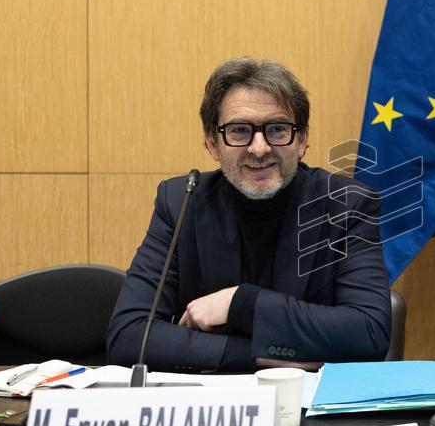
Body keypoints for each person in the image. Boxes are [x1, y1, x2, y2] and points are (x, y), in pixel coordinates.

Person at [107, 57, 391, 372]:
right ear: (212, 142)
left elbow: (369, 333)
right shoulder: (180, 202)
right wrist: (256, 357)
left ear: (302, 139)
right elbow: (130, 336)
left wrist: (241, 304)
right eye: (240, 131)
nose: (259, 148)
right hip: (211, 412)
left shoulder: (346, 205)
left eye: (277, 129)